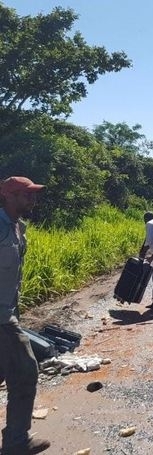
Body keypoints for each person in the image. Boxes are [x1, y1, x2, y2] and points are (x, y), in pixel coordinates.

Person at [0, 176, 51, 454]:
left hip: (8, 311)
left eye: (33, 195)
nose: (32, 200)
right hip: (1, 320)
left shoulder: (19, 228)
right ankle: (16, 442)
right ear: (8, 196)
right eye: (25, 195)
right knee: (24, 373)